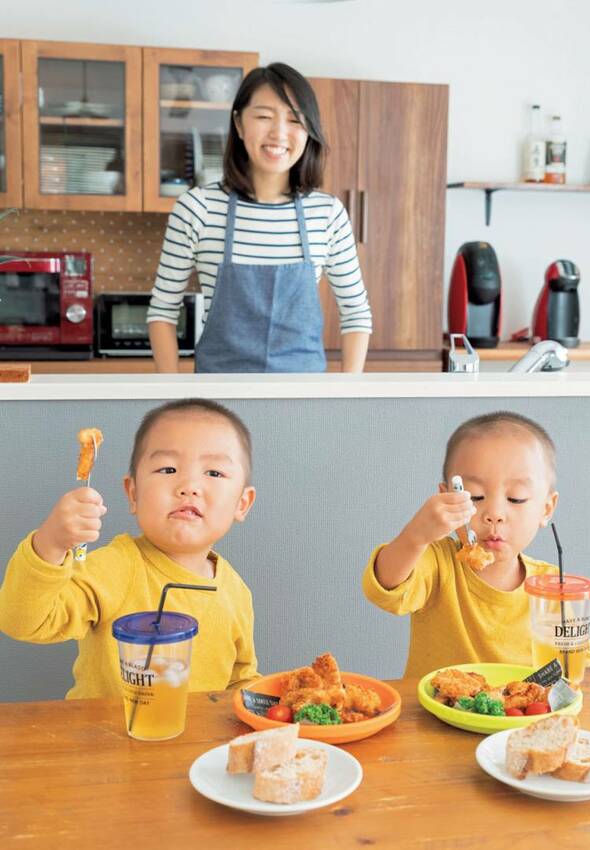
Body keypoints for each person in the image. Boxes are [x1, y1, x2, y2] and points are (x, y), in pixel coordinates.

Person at [0, 399, 258, 698]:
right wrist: (51, 543)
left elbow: (240, 680)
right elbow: (23, 621)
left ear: (242, 503)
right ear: (133, 493)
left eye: (213, 473)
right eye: (168, 469)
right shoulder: (115, 567)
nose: (189, 486)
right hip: (106, 742)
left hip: (196, 745)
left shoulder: (236, 591)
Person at [362, 411, 590, 679]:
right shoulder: (436, 562)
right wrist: (417, 535)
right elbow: (386, 587)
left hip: (522, 724)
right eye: (475, 496)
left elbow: (570, 668)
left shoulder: (551, 586)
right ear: (446, 498)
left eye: (517, 498)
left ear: (547, 508)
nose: (494, 513)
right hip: (437, 722)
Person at [148, 62, 372, 374]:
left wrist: (346, 395)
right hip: (218, 402)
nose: (279, 133)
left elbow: (356, 313)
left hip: (303, 402)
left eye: (295, 120)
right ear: (239, 124)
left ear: (309, 131)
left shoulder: (327, 213)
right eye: (264, 116)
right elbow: (162, 312)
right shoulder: (197, 207)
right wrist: (172, 396)